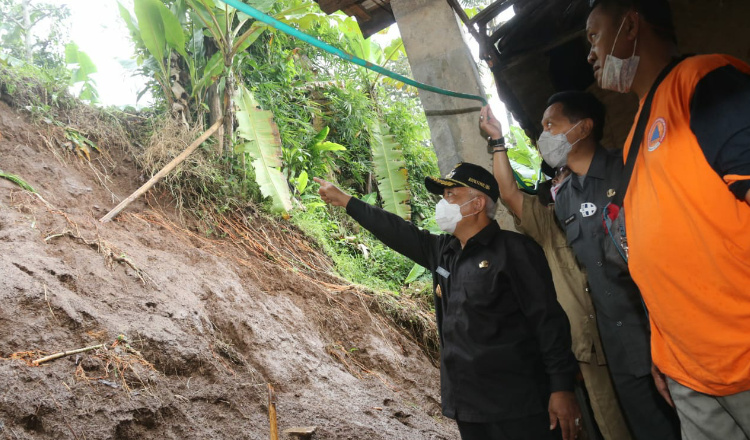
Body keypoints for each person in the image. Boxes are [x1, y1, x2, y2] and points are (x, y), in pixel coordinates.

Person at [314, 164, 581, 440]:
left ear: (477, 204)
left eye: (452, 195)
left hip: (518, 404)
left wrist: (561, 387)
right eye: (444, 195)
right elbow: (396, 231)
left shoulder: (515, 251)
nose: (443, 202)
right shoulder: (444, 252)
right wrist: (346, 201)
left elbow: (548, 321)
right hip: (469, 406)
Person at [586, 1, 750, 438]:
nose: (590, 53)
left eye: (594, 36)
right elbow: (650, 257)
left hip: (742, 354)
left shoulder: (704, 80)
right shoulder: (632, 140)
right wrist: (663, 351)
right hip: (688, 374)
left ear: (630, 25)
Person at [531, 91, 681, 439]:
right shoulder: (564, 199)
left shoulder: (627, 169)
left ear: (583, 128)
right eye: (542, 128)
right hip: (619, 348)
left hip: (660, 335)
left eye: (552, 125)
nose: (544, 136)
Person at [480, 105, 631, 440]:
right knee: (614, 425)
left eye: (570, 177)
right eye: (557, 179)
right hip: (591, 347)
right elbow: (508, 193)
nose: (564, 184)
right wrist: (498, 142)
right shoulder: (548, 224)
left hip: (632, 332)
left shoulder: (614, 196)